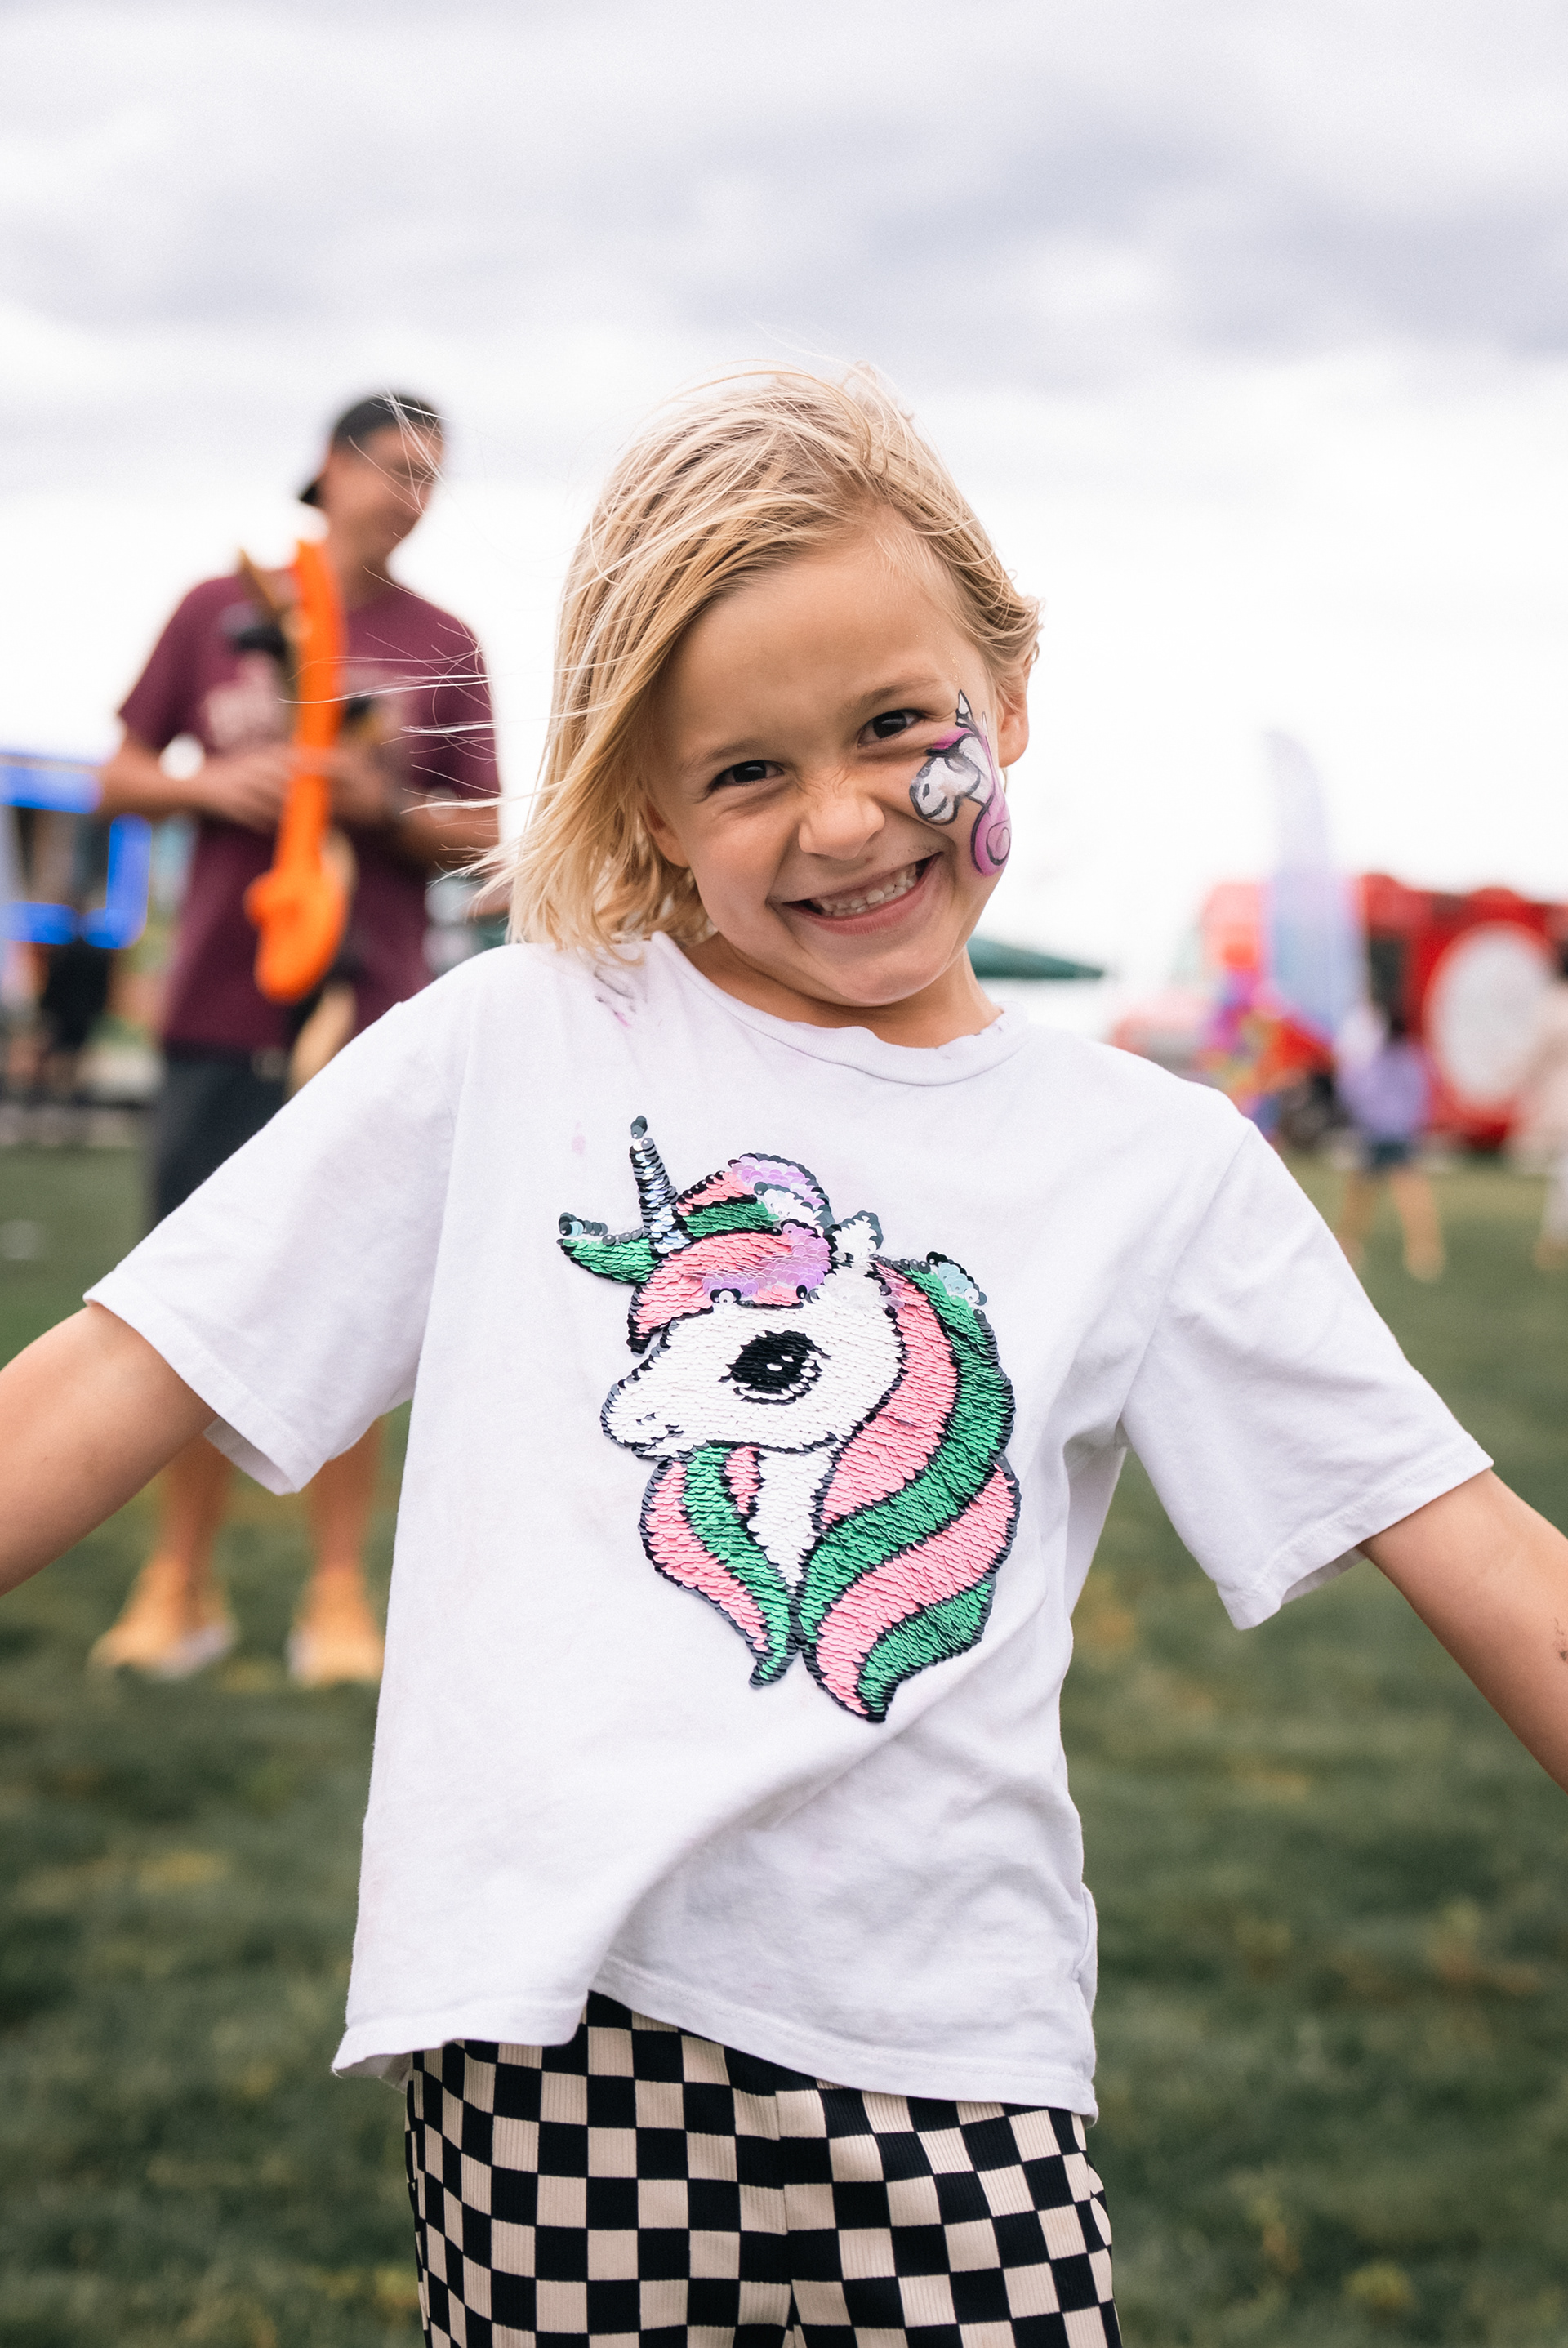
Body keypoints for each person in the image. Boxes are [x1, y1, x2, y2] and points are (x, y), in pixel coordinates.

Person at [3, 371, 1566, 2348]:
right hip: (556, 2065)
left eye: (899, 727)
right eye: (745, 770)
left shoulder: (1157, 1165)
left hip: (966, 2082)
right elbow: (106, 1380)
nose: (842, 818)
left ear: (1008, 694)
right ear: (647, 802)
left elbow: (1481, 1554)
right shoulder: (513, 1049)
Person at [87, 392, 500, 1686]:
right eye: (394, 466)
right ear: (330, 464)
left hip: (370, 1014)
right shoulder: (219, 606)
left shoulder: (442, 641)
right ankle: (177, 1583)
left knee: (355, 1302)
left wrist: (385, 805)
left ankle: (334, 1595)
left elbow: (485, 834)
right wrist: (211, 782)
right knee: (184, 1302)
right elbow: (117, 773)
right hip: (220, 999)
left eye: (432, 475)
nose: (412, 495)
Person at [1334, 1009, 1446, 1281]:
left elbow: (1355, 1090)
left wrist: (1364, 1116)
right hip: (1400, 1133)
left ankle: (1347, 1245)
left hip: (1378, 1132)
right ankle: (1424, 1249)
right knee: (1408, 1192)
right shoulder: (1414, 1057)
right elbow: (1426, 1092)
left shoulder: (1378, 1059)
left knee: (1363, 1193)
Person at [1512, 942, 1568, 1270]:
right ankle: (1555, 1237)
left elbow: (1536, 1054)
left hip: (1560, 1097)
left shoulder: (1553, 1005)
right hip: (1559, 1095)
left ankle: (1555, 1238)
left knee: (1564, 1174)